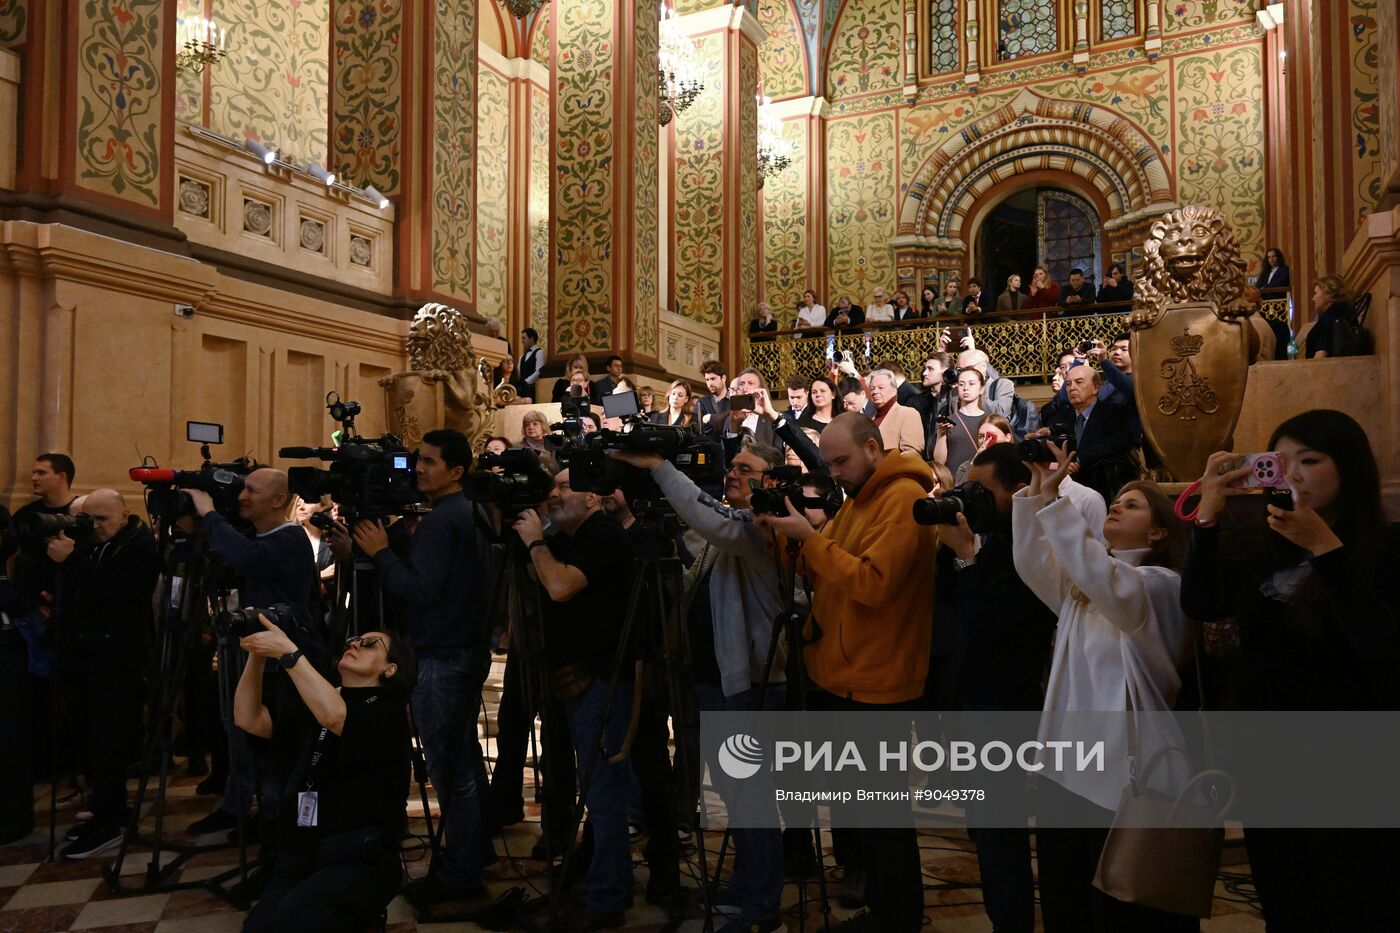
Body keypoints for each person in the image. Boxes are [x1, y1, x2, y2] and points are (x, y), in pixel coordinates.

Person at [1181, 410, 1400, 931]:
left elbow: (1378, 641)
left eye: (1311, 460)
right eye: (1280, 461)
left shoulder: (1387, 548)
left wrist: (1325, 547)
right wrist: (1207, 520)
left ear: (1348, 468)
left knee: (1353, 898)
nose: (1293, 474)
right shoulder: (1267, 547)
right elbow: (1203, 603)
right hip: (1271, 759)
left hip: (1354, 764)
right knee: (1286, 897)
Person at [756, 413, 937, 933]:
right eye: (829, 462)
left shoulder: (901, 499)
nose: (832, 472)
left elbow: (874, 584)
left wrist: (809, 541)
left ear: (874, 448)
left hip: (878, 680)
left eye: (841, 461)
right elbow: (823, 562)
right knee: (869, 817)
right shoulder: (861, 498)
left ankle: (897, 917)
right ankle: (884, 909)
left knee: (885, 822)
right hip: (846, 673)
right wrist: (781, 534)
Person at [1012, 447, 1195, 933]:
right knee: (1065, 900)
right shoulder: (1089, 584)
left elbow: (1109, 581)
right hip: (1068, 769)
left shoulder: (1162, 585)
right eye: (1116, 500)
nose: (1117, 505)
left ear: (1159, 531)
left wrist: (1057, 502)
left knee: (1123, 911)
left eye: (1133, 505)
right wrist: (1035, 492)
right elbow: (1034, 563)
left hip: (1126, 777)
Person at [615, 439, 789, 933]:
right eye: (731, 466)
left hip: (751, 684)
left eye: (746, 468)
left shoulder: (760, 528)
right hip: (718, 681)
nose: (733, 473)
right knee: (738, 799)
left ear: (769, 481)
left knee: (752, 801)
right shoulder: (729, 530)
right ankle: (747, 886)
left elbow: (707, 515)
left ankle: (761, 908)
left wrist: (658, 463)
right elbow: (697, 558)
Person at [351, 429, 493, 909]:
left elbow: (418, 590)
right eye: (418, 460)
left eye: (430, 462)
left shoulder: (441, 520)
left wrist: (380, 553)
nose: (419, 470)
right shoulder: (470, 510)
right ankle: (475, 853)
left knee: (451, 771)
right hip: (465, 649)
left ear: (456, 471)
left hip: (442, 654)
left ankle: (461, 872)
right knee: (464, 763)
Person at [511, 469, 637, 928]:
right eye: (553, 487)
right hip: (582, 679)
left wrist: (534, 542)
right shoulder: (576, 536)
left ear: (592, 497)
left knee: (602, 795)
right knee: (599, 791)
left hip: (602, 683)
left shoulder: (601, 536)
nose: (554, 494)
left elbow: (560, 585)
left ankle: (606, 902)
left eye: (565, 487)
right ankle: (607, 886)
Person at [940, 445, 1058, 933]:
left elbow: (995, 626)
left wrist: (967, 562)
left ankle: (1014, 921)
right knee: (987, 828)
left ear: (1018, 491)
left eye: (984, 492)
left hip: (1012, 699)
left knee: (1002, 827)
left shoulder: (1032, 544)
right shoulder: (987, 537)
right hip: (977, 695)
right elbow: (946, 608)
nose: (976, 502)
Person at [236, 622, 412, 932]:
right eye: (354, 640)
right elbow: (248, 718)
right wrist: (257, 655)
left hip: (361, 859)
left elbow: (336, 716)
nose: (355, 644)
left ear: (390, 669)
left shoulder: (388, 711)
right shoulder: (320, 700)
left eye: (370, 644)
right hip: (305, 854)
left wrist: (289, 653)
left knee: (297, 917)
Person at [47, 490, 160, 859]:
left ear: (124, 515)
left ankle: (111, 820)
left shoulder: (140, 546)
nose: (93, 527)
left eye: (101, 520)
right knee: (91, 739)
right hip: (87, 655)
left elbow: (121, 594)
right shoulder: (94, 544)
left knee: (110, 741)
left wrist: (74, 561)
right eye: (88, 520)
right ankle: (103, 810)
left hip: (119, 660)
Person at [1044, 366, 1140, 504]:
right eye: (1068, 384)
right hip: (1067, 494)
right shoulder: (1059, 419)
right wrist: (1062, 464)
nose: (1072, 388)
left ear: (1096, 387)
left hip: (1104, 490)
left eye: (1079, 382)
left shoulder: (1114, 413)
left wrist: (1079, 459)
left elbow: (1120, 441)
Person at [933, 368, 988, 476]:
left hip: (982, 479)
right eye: (961, 384)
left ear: (981, 389)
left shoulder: (989, 420)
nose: (966, 388)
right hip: (954, 480)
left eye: (971, 384)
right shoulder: (949, 421)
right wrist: (941, 433)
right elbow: (939, 461)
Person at [866, 369, 924, 456]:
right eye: (872, 388)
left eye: (881, 387)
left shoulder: (907, 414)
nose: (875, 392)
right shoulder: (868, 418)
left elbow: (911, 453)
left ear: (894, 391)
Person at [1303, 274, 1351, 359]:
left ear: (1328, 293)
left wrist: (1312, 370)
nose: (1313, 299)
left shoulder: (1333, 312)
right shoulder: (1342, 309)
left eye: (1316, 293)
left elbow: (1322, 351)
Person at [695, 359, 731, 441]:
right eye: (707, 380)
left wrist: (711, 419)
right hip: (710, 451)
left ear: (723, 378)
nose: (710, 383)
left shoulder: (735, 400)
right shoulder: (701, 403)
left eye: (713, 379)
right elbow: (698, 431)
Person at [518, 327, 544, 397]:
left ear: (532, 338)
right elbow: (518, 373)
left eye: (524, 338)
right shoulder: (522, 356)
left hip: (533, 389)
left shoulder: (539, 352)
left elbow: (539, 372)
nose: (522, 340)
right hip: (521, 390)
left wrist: (526, 382)